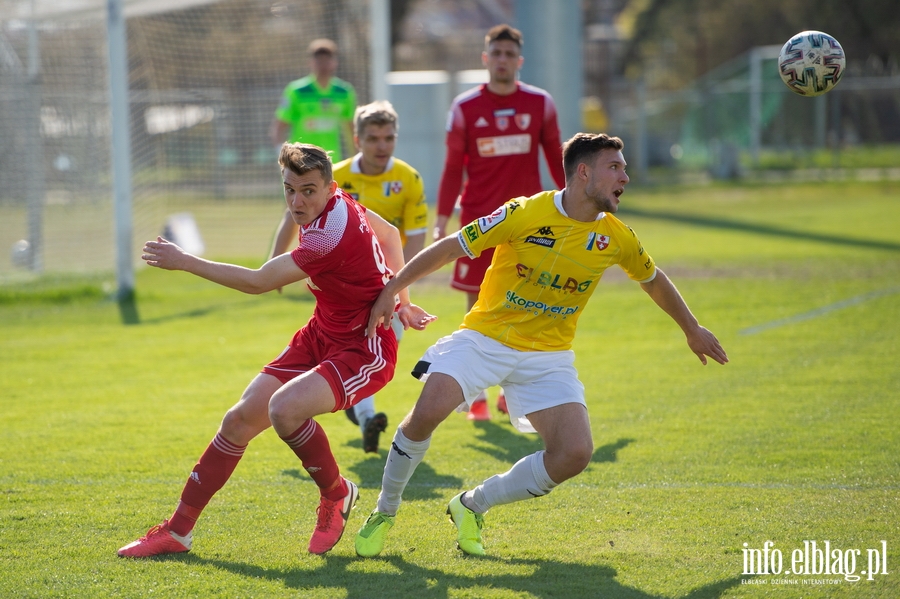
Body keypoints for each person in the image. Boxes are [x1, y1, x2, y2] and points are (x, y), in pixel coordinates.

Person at [354, 133, 728, 558]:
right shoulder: (525, 212)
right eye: (615, 167)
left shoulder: (616, 237)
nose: (626, 175)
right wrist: (394, 289)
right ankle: (385, 512)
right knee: (424, 416)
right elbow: (450, 248)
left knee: (574, 453)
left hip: (548, 355)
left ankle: (472, 505)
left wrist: (691, 327)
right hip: (485, 338)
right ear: (583, 172)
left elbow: (653, 279)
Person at [117, 143, 435, 558]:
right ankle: (176, 532)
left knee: (284, 409)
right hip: (321, 333)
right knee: (237, 421)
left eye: (308, 191)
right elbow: (390, 236)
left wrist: (184, 260)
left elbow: (258, 282)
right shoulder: (338, 201)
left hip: (364, 345)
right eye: (289, 190)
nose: (297, 201)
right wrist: (400, 298)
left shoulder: (327, 236)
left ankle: (336, 494)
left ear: (329, 187)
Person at [270, 100, 429, 454]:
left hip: (388, 284)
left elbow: (409, 237)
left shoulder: (408, 178)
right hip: (340, 287)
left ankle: (365, 416)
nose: (381, 146)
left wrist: (400, 291)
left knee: (372, 348)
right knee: (355, 353)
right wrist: (275, 262)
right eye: (373, 138)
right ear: (357, 139)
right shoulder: (331, 176)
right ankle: (363, 414)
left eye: (388, 138)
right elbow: (291, 213)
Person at [434, 23, 567, 421]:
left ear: (519, 61)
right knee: (477, 307)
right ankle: (474, 396)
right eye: (497, 54)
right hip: (477, 222)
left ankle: (512, 393)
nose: (503, 61)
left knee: (526, 306)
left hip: (530, 226)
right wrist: (442, 221)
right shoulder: (464, 108)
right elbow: (452, 168)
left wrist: (578, 209)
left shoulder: (540, 104)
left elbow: (558, 163)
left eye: (510, 55)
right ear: (485, 58)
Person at [268, 38, 357, 264]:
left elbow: (351, 129)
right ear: (311, 62)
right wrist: (282, 159)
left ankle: (324, 261)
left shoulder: (343, 92)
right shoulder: (297, 91)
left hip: (330, 166)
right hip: (300, 166)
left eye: (328, 59)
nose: (323, 64)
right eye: (319, 59)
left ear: (335, 62)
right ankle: (279, 264)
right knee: (295, 211)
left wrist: (357, 156)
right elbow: (279, 127)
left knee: (331, 210)